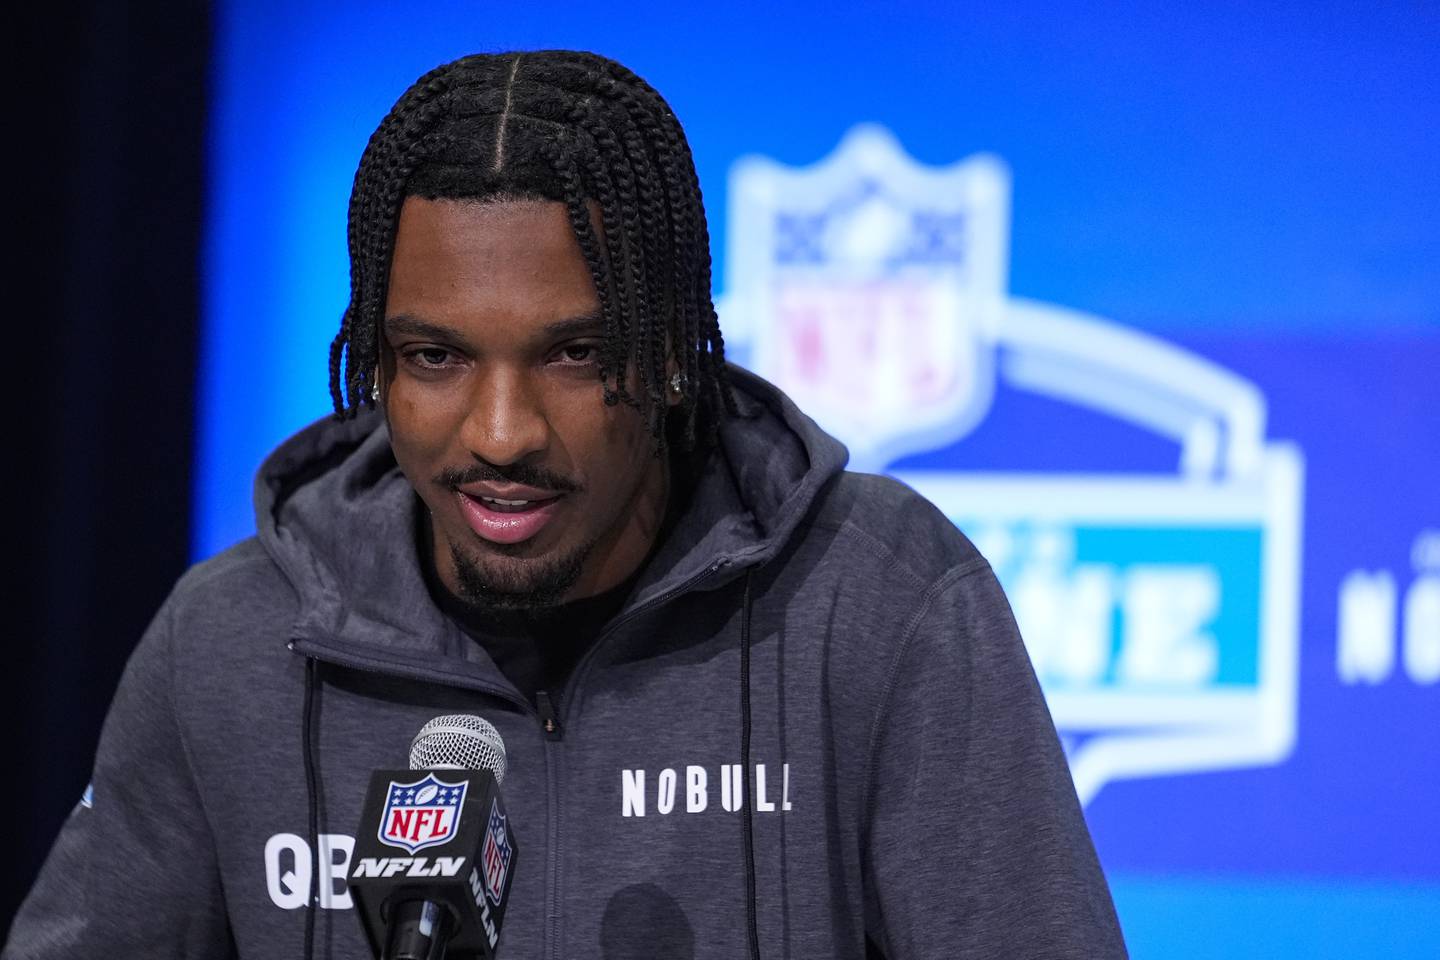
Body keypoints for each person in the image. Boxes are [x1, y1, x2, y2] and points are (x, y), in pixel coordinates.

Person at [7, 50, 1126, 959]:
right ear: (375, 369)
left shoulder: (876, 602)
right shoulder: (231, 643)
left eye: (575, 354)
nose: (501, 434)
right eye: (435, 356)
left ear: (676, 354)